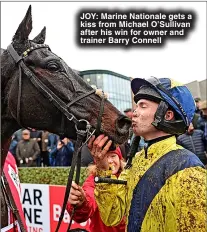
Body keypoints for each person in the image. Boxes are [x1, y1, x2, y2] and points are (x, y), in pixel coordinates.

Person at [88, 77, 206, 232]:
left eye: (142, 106)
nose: (134, 113)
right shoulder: (135, 160)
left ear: (167, 115)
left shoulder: (188, 167)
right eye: (136, 106)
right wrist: (102, 167)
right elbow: (112, 216)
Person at [67, 147, 126, 232]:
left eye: (113, 156)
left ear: (120, 159)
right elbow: (88, 200)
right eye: (105, 157)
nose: (109, 161)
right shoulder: (93, 180)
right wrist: (81, 203)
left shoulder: (129, 177)